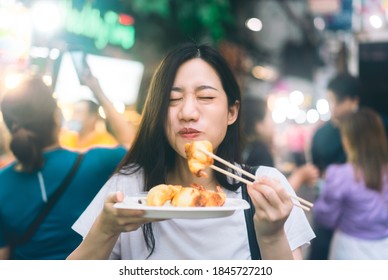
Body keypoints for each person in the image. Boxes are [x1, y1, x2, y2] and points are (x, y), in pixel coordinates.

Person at [67, 43, 315, 260]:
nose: (187, 113)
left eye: (205, 97)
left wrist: (271, 237)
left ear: (232, 112)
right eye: (173, 100)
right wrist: (105, 231)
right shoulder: (128, 188)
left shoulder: (262, 188)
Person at [0, 76, 127, 259]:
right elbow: (133, 142)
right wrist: (97, 90)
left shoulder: (2, 182)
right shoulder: (94, 163)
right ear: (57, 117)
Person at [313, 108, 388, 259]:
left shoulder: (340, 174)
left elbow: (325, 218)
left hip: (349, 249)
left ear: (348, 139)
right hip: (385, 249)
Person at [309, 73, 361, 260]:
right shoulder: (322, 134)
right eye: (330, 99)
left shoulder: (371, 129)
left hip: (360, 215)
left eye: (338, 100)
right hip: (329, 208)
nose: (333, 106)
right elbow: (316, 170)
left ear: (354, 101)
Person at [242, 96, 319, 191]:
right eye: (269, 116)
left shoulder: (248, 147)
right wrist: (300, 176)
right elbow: (273, 194)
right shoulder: (260, 152)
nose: (274, 123)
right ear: (258, 124)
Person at [60, 70, 136, 151]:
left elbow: (129, 140)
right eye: (73, 112)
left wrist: (98, 92)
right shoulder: (67, 138)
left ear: (93, 118)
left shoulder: (106, 143)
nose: (73, 117)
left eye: (78, 112)